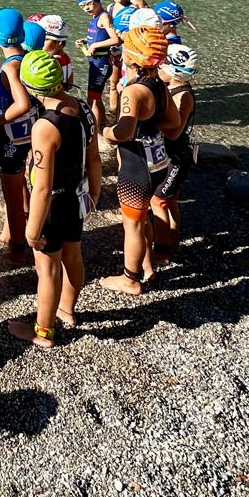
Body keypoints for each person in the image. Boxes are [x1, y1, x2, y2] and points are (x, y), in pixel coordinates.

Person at [7, 51, 99, 349]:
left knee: (47, 270)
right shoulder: (83, 108)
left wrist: (31, 231)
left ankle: (43, 331)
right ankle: (67, 310)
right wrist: (94, 194)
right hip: (75, 196)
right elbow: (94, 157)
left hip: (52, 205)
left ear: (32, 90)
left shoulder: (44, 128)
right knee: (73, 255)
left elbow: (43, 189)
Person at [99, 25, 178, 296]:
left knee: (132, 224)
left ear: (131, 56)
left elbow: (123, 131)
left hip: (136, 168)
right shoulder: (159, 85)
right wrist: (152, 128)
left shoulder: (133, 92)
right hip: (158, 164)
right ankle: (147, 265)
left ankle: (129, 279)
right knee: (143, 219)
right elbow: (174, 123)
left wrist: (107, 132)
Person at [0, 8, 37, 258]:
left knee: (12, 196)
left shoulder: (10, 67)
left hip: (12, 138)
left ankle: (16, 246)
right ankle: (12, 232)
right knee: (24, 185)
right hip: (32, 133)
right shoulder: (30, 58)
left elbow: (22, 104)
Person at [153, 43, 199, 253]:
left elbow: (174, 132)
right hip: (172, 154)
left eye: (160, 66)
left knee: (158, 200)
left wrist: (151, 122)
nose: (157, 70)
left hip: (177, 156)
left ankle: (162, 249)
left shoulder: (182, 96)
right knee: (171, 198)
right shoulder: (171, 88)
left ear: (172, 70)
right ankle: (173, 235)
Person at [76, 0, 118, 133]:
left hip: (101, 64)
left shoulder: (104, 16)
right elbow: (100, 36)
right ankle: (103, 123)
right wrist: (86, 41)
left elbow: (115, 39)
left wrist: (95, 45)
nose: (86, 8)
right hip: (96, 63)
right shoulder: (95, 16)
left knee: (92, 100)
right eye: (82, 6)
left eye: (88, 4)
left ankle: (94, 132)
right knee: (95, 97)